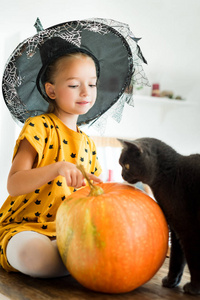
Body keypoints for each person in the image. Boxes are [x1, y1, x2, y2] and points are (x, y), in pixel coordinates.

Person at [1, 18, 149, 278]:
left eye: (92, 84)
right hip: (26, 227)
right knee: (35, 256)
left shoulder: (88, 144)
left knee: (104, 243)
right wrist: (57, 168)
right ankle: (71, 263)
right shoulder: (39, 127)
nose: (86, 92)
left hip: (66, 230)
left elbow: (91, 196)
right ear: (52, 90)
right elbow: (14, 185)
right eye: (73, 84)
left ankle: (71, 260)